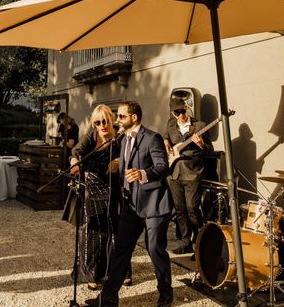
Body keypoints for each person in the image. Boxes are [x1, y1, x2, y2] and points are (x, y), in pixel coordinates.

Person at [87, 101, 173, 307]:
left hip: (153, 205)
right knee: (121, 251)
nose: (117, 120)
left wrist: (143, 173)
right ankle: (107, 298)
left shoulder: (152, 138)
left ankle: (166, 294)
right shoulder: (124, 140)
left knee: (155, 250)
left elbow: (163, 167)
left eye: (121, 116)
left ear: (134, 117)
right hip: (130, 206)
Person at [68, 104, 129, 290]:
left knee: (115, 229)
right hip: (92, 188)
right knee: (93, 230)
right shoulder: (91, 136)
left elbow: (131, 156)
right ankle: (92, 273)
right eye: (97, 122)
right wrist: (74, 162)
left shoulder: (120, 137)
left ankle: (120, 271)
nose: (102, 125)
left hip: (112, 188)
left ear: (111, 120)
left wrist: (119, 161)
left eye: (105, 121)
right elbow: (76, 152)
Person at [163, 97, 213, 255]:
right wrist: (165, 142)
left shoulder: (200, 125)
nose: (180, 115)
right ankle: (185, 241)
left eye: (182, 111)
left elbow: (210, 150)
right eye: (176, 112)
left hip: (192, 173)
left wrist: (202, 145)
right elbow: (165, 137)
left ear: (186, 108)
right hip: (174, 173)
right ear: (173, 113)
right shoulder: (170, 124)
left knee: (192, 208)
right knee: (179, 210)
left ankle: (199, 240)